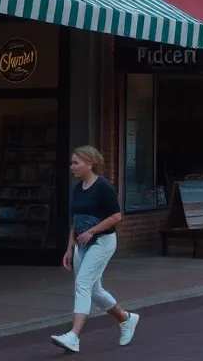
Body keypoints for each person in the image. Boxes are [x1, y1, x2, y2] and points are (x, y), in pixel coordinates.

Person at [50, 146, 138, 353]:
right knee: (95, 290)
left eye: (76, 163)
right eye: (72, 163)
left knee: (82, 283)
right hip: (81, 246)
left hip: (103, 242)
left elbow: (117, 217)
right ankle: (126, 319)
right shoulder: (78, 188)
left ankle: (73, 336)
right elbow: (75, 220)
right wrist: (69, 248)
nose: (72, 167)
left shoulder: (103, 187)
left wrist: (92, 231)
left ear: (90, 163)